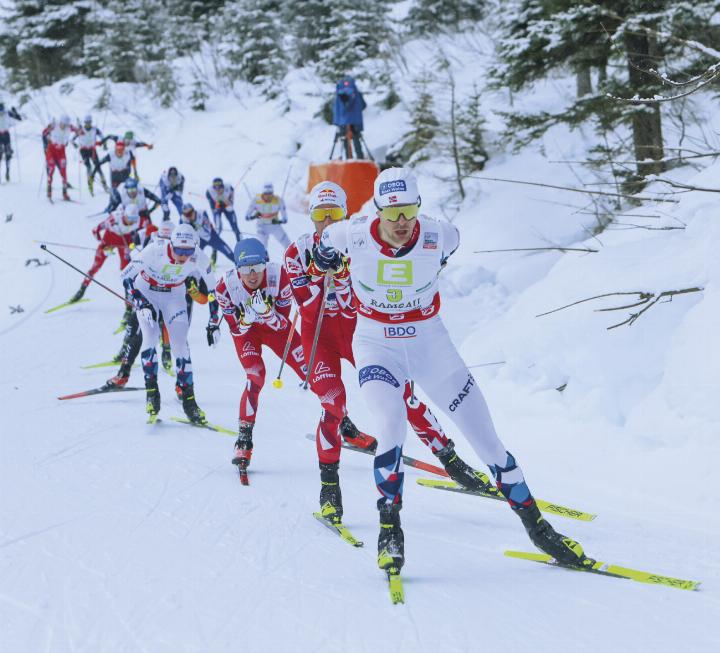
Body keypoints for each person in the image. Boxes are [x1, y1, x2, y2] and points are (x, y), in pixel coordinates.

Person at [314, 167, 592, 574]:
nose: (401, 223)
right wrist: (323, 256)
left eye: (409, 211)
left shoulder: (439, 234)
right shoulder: (351, 234)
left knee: (488, 442)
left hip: (429, 343)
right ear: (376, 212)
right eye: (391, 214)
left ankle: (538, 528)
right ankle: (390, 528)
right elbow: (323, 241)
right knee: (391, 425)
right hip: (376, 344)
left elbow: (451, 243)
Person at [284, 181, 487, 526]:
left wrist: (349, 272)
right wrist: (321, 273)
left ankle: (450, 460)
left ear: (346, 215)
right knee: (333, 404)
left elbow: (364, 300)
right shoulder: (296, 254)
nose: (328, 223)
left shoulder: (360, 244)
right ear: (312, 217)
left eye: (335, 215)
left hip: (357, 331)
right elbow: (308, 305)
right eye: (321, 215)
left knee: (404, 395)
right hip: (319, 337)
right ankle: (329, 487)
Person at [212, 238, 307, 472]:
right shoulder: (225, 287)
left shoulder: (280, 277)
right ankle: (244, 439)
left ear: (266, 264)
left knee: (310, 369)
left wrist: (266, 314)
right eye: (245, 269)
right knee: (256, 376)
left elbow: (284, 325)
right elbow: (236, 329)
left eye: (257, 268)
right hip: (248, 334)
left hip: (274, 327)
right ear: (237, 269)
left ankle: (342, 421)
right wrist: (246, 319)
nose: (252, 275)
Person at [121, 224, 219, 423]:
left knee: (181, 345)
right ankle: (152, 394)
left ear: (195, 247)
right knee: (150, 338)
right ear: (171, 244)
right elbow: (126, 276)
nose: (183, 256)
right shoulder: (155, 249)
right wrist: (141, 303)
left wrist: (214, 321)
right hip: (147, 290)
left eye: (188, 251)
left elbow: (213, 290)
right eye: (178, 250)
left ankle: (189, 402)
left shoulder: (199, 256)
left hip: (174, 295)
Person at [68, 204, 156, 304]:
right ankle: (82, 289)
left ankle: (129, 301)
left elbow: (151, 229)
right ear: (124, 215)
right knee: (95, 266)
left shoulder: (140, 221)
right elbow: (95, 230)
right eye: (129, 218)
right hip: (109, 240)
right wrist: (101, 243)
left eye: (134, 218)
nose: (132, 221)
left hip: (125, 242)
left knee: (127, 272)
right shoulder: (114, 219)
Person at [245, 182, 290, 251]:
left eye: (270, 194)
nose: (268, 196)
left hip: (274, 226)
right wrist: (254, 216)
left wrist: (278, 221)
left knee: (287, 243)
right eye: (266, 194)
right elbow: (247, 216)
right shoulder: (256, 200)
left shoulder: (279, 200)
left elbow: (285, 219)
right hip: (261, 226)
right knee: (262, 246)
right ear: (263, 193)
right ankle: (264, 258)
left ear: (273, 193)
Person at [42, 114, 77, 200]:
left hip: (61, 152)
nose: (64, 126)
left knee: (63, 172)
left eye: (66, 125)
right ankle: (49, 189)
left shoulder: (69, 127)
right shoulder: (54, 125)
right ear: (60, 122)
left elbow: (79, 131)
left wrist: (79, 129)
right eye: (63, 124)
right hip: (51, 150)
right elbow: (44, 133)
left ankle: (65, 193)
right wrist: (48, 130)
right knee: (51, 169)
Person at [72, 114, 108, 195]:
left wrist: (104, 143)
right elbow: (72, 139)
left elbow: (102, 137)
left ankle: (104, 184)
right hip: (83, 150)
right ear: (84, 122)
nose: (88, 124)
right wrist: (74, 144)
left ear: (91, 122)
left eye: (89, 122)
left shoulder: (95, 129)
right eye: (86, 122)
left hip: (92, 150)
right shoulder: (80, 130)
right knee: (89, 167)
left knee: (98, 167)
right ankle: (90, 184)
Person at [332, 76, 367, 159]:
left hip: (342, 122)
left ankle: (348, 160)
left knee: (345, 141)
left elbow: (335, 108)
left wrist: (338, 120)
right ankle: (360, 160)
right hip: (355, 121)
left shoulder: (338, 93)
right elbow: (363, 105)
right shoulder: (356, 92)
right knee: (356, 140)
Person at [0, 102, 22, 182]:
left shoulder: (7, 113)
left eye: (2, 111)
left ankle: (7, 172)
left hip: (6, 134)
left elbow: (19, 118)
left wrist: (15, 112)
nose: (1, 113)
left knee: (8, 153)